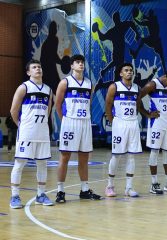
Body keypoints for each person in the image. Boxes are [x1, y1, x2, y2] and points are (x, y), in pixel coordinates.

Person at [55, 54, 101, 202]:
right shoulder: (65, 82)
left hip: (85, 122)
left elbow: (89, 103)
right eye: (77, 62)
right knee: (65, 156)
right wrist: (65, 120)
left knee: (84, 158)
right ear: (71, 65)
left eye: (82, 62)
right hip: (70, 122)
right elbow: (58, 104)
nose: (80, 64)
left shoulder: (89, 83)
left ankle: (84, 189)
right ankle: (60, 191)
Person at [9, 59, 53, 208]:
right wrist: (20, 125)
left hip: (42, 132)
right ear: (28, 72)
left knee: (42, 163)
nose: (38, 69)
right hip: (27, 132)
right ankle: (15, 196)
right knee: (20, 163)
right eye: (34, 67)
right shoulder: (24, 87)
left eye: (39, 67)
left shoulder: (48, 89)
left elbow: (48, 112)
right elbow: (13, 110)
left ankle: (41, 194)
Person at [137, 70, 167, 194]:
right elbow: (137, 97)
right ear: (165, 77)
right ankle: (154, 183)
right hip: (156, 123)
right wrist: (147, 113)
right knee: (155, 151)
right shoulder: (152, 84)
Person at [104, 63, 142, 198]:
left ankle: (129, 187)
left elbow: (138, 105)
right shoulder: (115, 86)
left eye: (131, 70)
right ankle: (110, 185)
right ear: (121, 73)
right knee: (117, 155)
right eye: (126, 70)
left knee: (131, 156)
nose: (129, 72)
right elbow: (108, 105)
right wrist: (112, 120)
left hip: (133, 123)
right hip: (119, 123)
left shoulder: (137, 88)